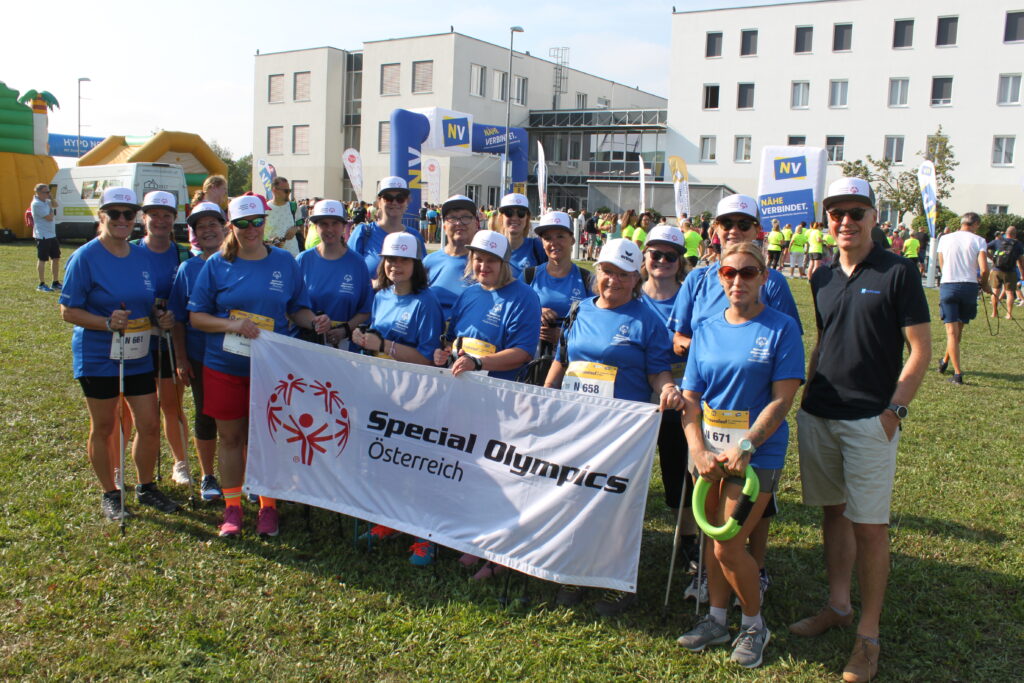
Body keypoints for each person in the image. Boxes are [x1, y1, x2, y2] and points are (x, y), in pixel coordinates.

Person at [791, 177, 930, 683]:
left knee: (870, 529)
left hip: (871, 418)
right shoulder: (821, 275)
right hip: (820, 412)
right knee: (833, 514)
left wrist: (896, 410)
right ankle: (839, 606)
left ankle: (867, 638)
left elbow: (919, 349)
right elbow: (826, 337)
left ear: (874, 216)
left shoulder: (899, 272)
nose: (845, 221)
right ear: (826, 220)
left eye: (855, 212)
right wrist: (807, 391)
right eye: (836, 213)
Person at [676, 242, 804, 668]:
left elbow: (782, 400)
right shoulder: (707, 328)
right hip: (708, 453)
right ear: (719, 277)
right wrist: (696, 447)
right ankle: (716, 619)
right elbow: (691, 398)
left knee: (729, 545)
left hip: (755, 456)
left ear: (764, 277)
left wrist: (747, 444)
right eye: (729, 272)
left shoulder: (782, 328)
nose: (737, 280)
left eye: (748, 272)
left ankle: (754, 625)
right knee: (713, 542)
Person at [544, 238, 684, 616]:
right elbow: (563, 359)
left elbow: (658, 373)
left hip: (623, 431)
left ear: (636, 278)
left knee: (617, 504)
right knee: (576, 494)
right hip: (578, 422)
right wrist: (544, 396)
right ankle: (575, 570)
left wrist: (667, 387)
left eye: (624, 275)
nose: (613, 281)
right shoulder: (579, 310)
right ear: (598, 272)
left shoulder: (648, 321)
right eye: (608, 272)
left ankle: (616, 581)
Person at [188, 195, 329, 537]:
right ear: (230, 226)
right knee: (231, 438)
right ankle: (233, 508)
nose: (251, 230)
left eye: (257, 222)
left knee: (268, 439)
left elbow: (297, 309)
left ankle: (268, 507)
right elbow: (196, 317)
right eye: (242, 224)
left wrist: (315, 321)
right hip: (224, 366)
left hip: (271, 370)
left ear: (265, 222)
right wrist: (232, 325)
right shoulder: (216, 264)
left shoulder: (284, 261)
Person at [59, 187, 180, 520]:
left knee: (149, 423)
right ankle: (110, 493)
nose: (123, 220)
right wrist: (105, 322)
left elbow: (149, 302)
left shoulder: (141, 255)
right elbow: (68, 311)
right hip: (98, 355)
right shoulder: (85, 257)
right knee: (105, 426)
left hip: (138, 352)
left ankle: (146, 487)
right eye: (115, 214)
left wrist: (162, 317)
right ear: (102, 217)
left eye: (129, 214)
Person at [352, 232, 445, 566]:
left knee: (417, 464)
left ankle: (424, 536)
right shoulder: (381, 295)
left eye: (403, 260)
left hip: (415, 395)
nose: (396, 266)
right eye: (391, 260)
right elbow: (376, 335)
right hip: (381, 389)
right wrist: (363, 336)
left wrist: (383, 347)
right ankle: (388, 520)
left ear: (415, 264)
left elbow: (426, 360)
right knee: (385, 458)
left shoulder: (426, 301)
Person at [639, 225, 697, 560]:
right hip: (636, 395)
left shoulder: (692, 297)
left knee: (679, 469)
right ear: (645, 257)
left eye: (670, 256)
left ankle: (687, 539)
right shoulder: (632, 294)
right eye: (655, 254)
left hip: (680, 395)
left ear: (680, 261)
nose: (662, 261)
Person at [133, 191, 194, 486]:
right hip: (135, 337)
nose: (160, 220)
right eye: (154, 214)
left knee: (171, 404)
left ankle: (180, 462)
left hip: (169, 338)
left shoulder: (183, 254)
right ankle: (126, 468)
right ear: (144, 217)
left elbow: (189, 297)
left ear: (174, 219)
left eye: (166, 215)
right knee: (129, 407)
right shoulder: (129, 250)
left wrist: (171, 316)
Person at [169, 202, 228, 500]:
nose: (207, 230)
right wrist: (181, 358)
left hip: (237, 357)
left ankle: (244, 477)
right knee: (205, 415)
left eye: (212, 224)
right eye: (200, 226)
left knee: (242, 416)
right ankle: (208, 476)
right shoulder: (187, 269)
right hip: (200, 356)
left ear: (225, 227)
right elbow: (178, 319)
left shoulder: (240, 262)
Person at [435, 229, 541, 383]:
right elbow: (452, 340)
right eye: (478, 259)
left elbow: (523, 353)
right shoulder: (469, 293)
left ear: (504, 263)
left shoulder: (525, 297)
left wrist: (478, 363)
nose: (483, 266)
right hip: (459, 386)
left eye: (491, 260)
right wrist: (444, 354)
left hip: (499, 392)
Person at [521, 211, 595, 383]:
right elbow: (511, 315)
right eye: (547, 238)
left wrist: (563, 337)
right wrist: (535, 311)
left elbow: (595, 327)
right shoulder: (529, 276)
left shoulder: (587, 280)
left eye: (560, 236)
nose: (554, 243)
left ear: (573, 240)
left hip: (573, 368)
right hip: (532, 365)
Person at [296, 199, 373, 348]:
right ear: (315, 227)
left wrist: (345, 329)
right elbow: (292, 307)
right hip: (307, 346)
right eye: (323, 224)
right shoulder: (302, 260)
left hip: (345, 348)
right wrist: (314, 322)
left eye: (335, 223)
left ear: (344, 226)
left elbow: (366, 309)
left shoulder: (357, 263)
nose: (329, 229)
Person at [936, 212, 989, 385]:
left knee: (952, 332)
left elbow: (941, 262)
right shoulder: (978, 240)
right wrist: (985, 283)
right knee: (958, 330)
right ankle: (946, 363)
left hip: (949, 284)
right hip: (969, 286)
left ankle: (956, 372)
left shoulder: (945, 238)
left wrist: (948, 276)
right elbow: (984, 269)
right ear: (975, 224)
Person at [347, 177, 426, 277]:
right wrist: (374, 284)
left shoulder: (415, 236)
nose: (394, 202)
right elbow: (348, 274)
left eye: (400, 198)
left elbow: (422, 275)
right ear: (379, 202)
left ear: (407, 202)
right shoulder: (363, 233)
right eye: (388, 198)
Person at [423, 195, 480, 321]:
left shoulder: (485, 264)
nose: (459, 223)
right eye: (452, 218)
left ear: (476, 224)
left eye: (465, 217)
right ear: (443, 226)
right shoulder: (428, 262)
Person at [499, 193, 546, 277]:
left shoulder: (538, 247)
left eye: (521, 213)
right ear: (501, 218)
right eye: (509, 213)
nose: (514, 218)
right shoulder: (491, 248)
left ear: (527, 218)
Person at [987, 225, 1024, 320]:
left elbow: (984, 247)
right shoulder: (1018, 244)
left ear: (1006, 233)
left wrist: (991, 258)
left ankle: (994, 312)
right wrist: (1022, 274)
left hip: (996, 270)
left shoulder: (998, 241)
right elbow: (1020, 262)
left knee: (995, 292)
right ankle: (1009, 314)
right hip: (1010, 271)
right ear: (1015, 234)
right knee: (1010, 293)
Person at [31, 183, 62, 292]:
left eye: (49, 192)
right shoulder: (36, 204)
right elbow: (49, 217)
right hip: (42, 235)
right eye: (46, 192)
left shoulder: (46, 201)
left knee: (56, 258)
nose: (49, 194)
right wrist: (50, 209)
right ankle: (41, 284)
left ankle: (55, 282)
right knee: (43, 259)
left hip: (51, 234)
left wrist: (51, 198)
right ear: (39, 193)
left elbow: (56, 205)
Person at [263, 177, 303, 257]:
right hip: (272, 254)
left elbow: (301, 227)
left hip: (293, 254)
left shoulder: (294, 206)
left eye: (289, 190)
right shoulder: (264, 209)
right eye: (286, 191)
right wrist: (270, 242)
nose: (288, 193)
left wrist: (296, 229)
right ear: (274, 190)